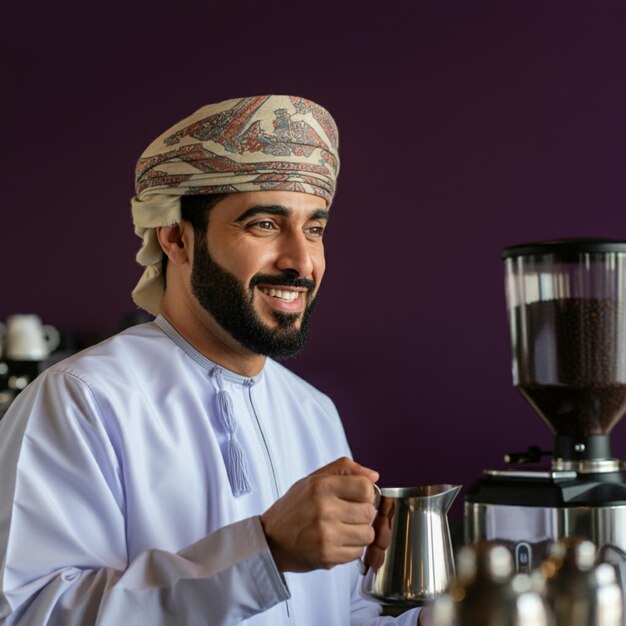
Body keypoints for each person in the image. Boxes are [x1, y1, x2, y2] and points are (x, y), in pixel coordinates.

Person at [0, 95, 428, 625]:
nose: (300, 261)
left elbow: (340, 614)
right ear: (178, 238)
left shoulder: (314, 412)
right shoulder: (82, 400)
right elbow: (30, 613)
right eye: (265, 225)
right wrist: (264, 551)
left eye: (314, 229)